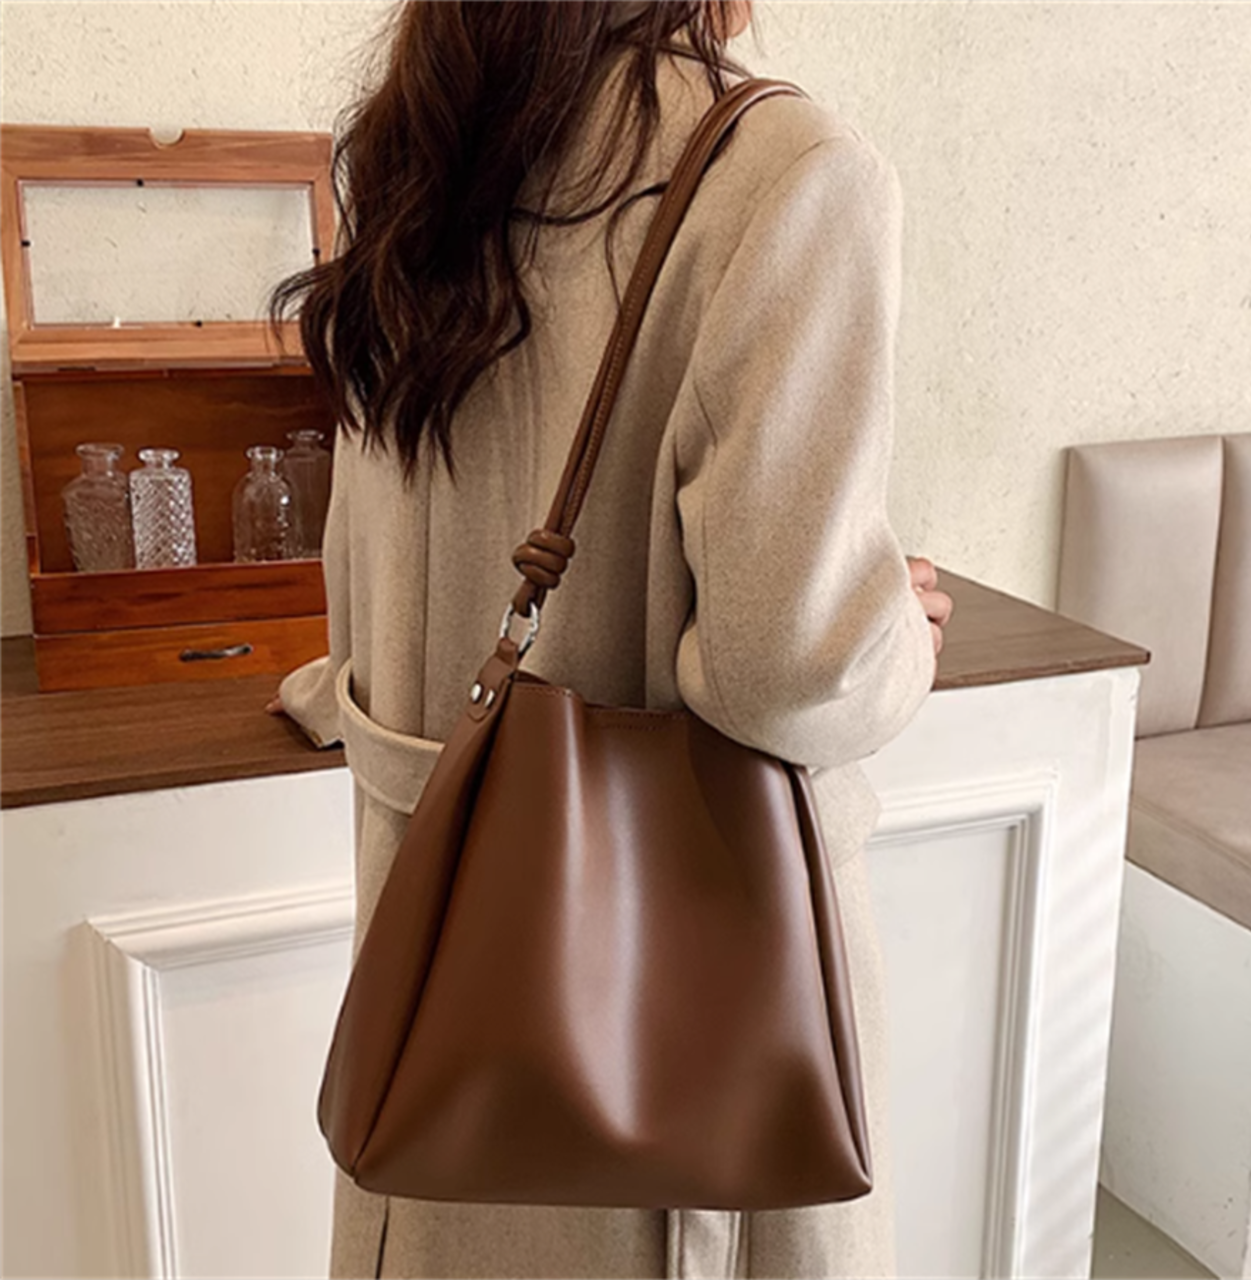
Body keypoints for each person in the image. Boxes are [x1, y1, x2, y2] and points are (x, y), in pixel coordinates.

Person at [272, 1, 953, 1276]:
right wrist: (895, 633)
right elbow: (785, 668)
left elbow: (364, 572)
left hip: (435, 992)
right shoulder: (782, 173)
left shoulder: (420, 146)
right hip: (668, 1018)